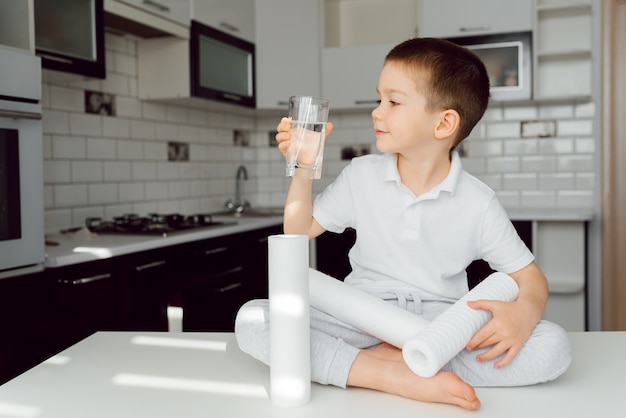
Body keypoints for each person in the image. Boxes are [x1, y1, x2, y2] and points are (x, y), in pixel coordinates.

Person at [235, 37, 571, 410]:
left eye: (393, 102)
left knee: (553, 346)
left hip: (437, 327)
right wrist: (301, 168)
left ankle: (387, 361)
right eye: (379, 99)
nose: (377, 112)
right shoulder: (361, 175)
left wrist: (524, 315)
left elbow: (530, 278)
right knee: (254, 318)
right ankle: (392, 374)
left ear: (444, 123)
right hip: (360, 318)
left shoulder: (478, 202)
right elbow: (298, 232)